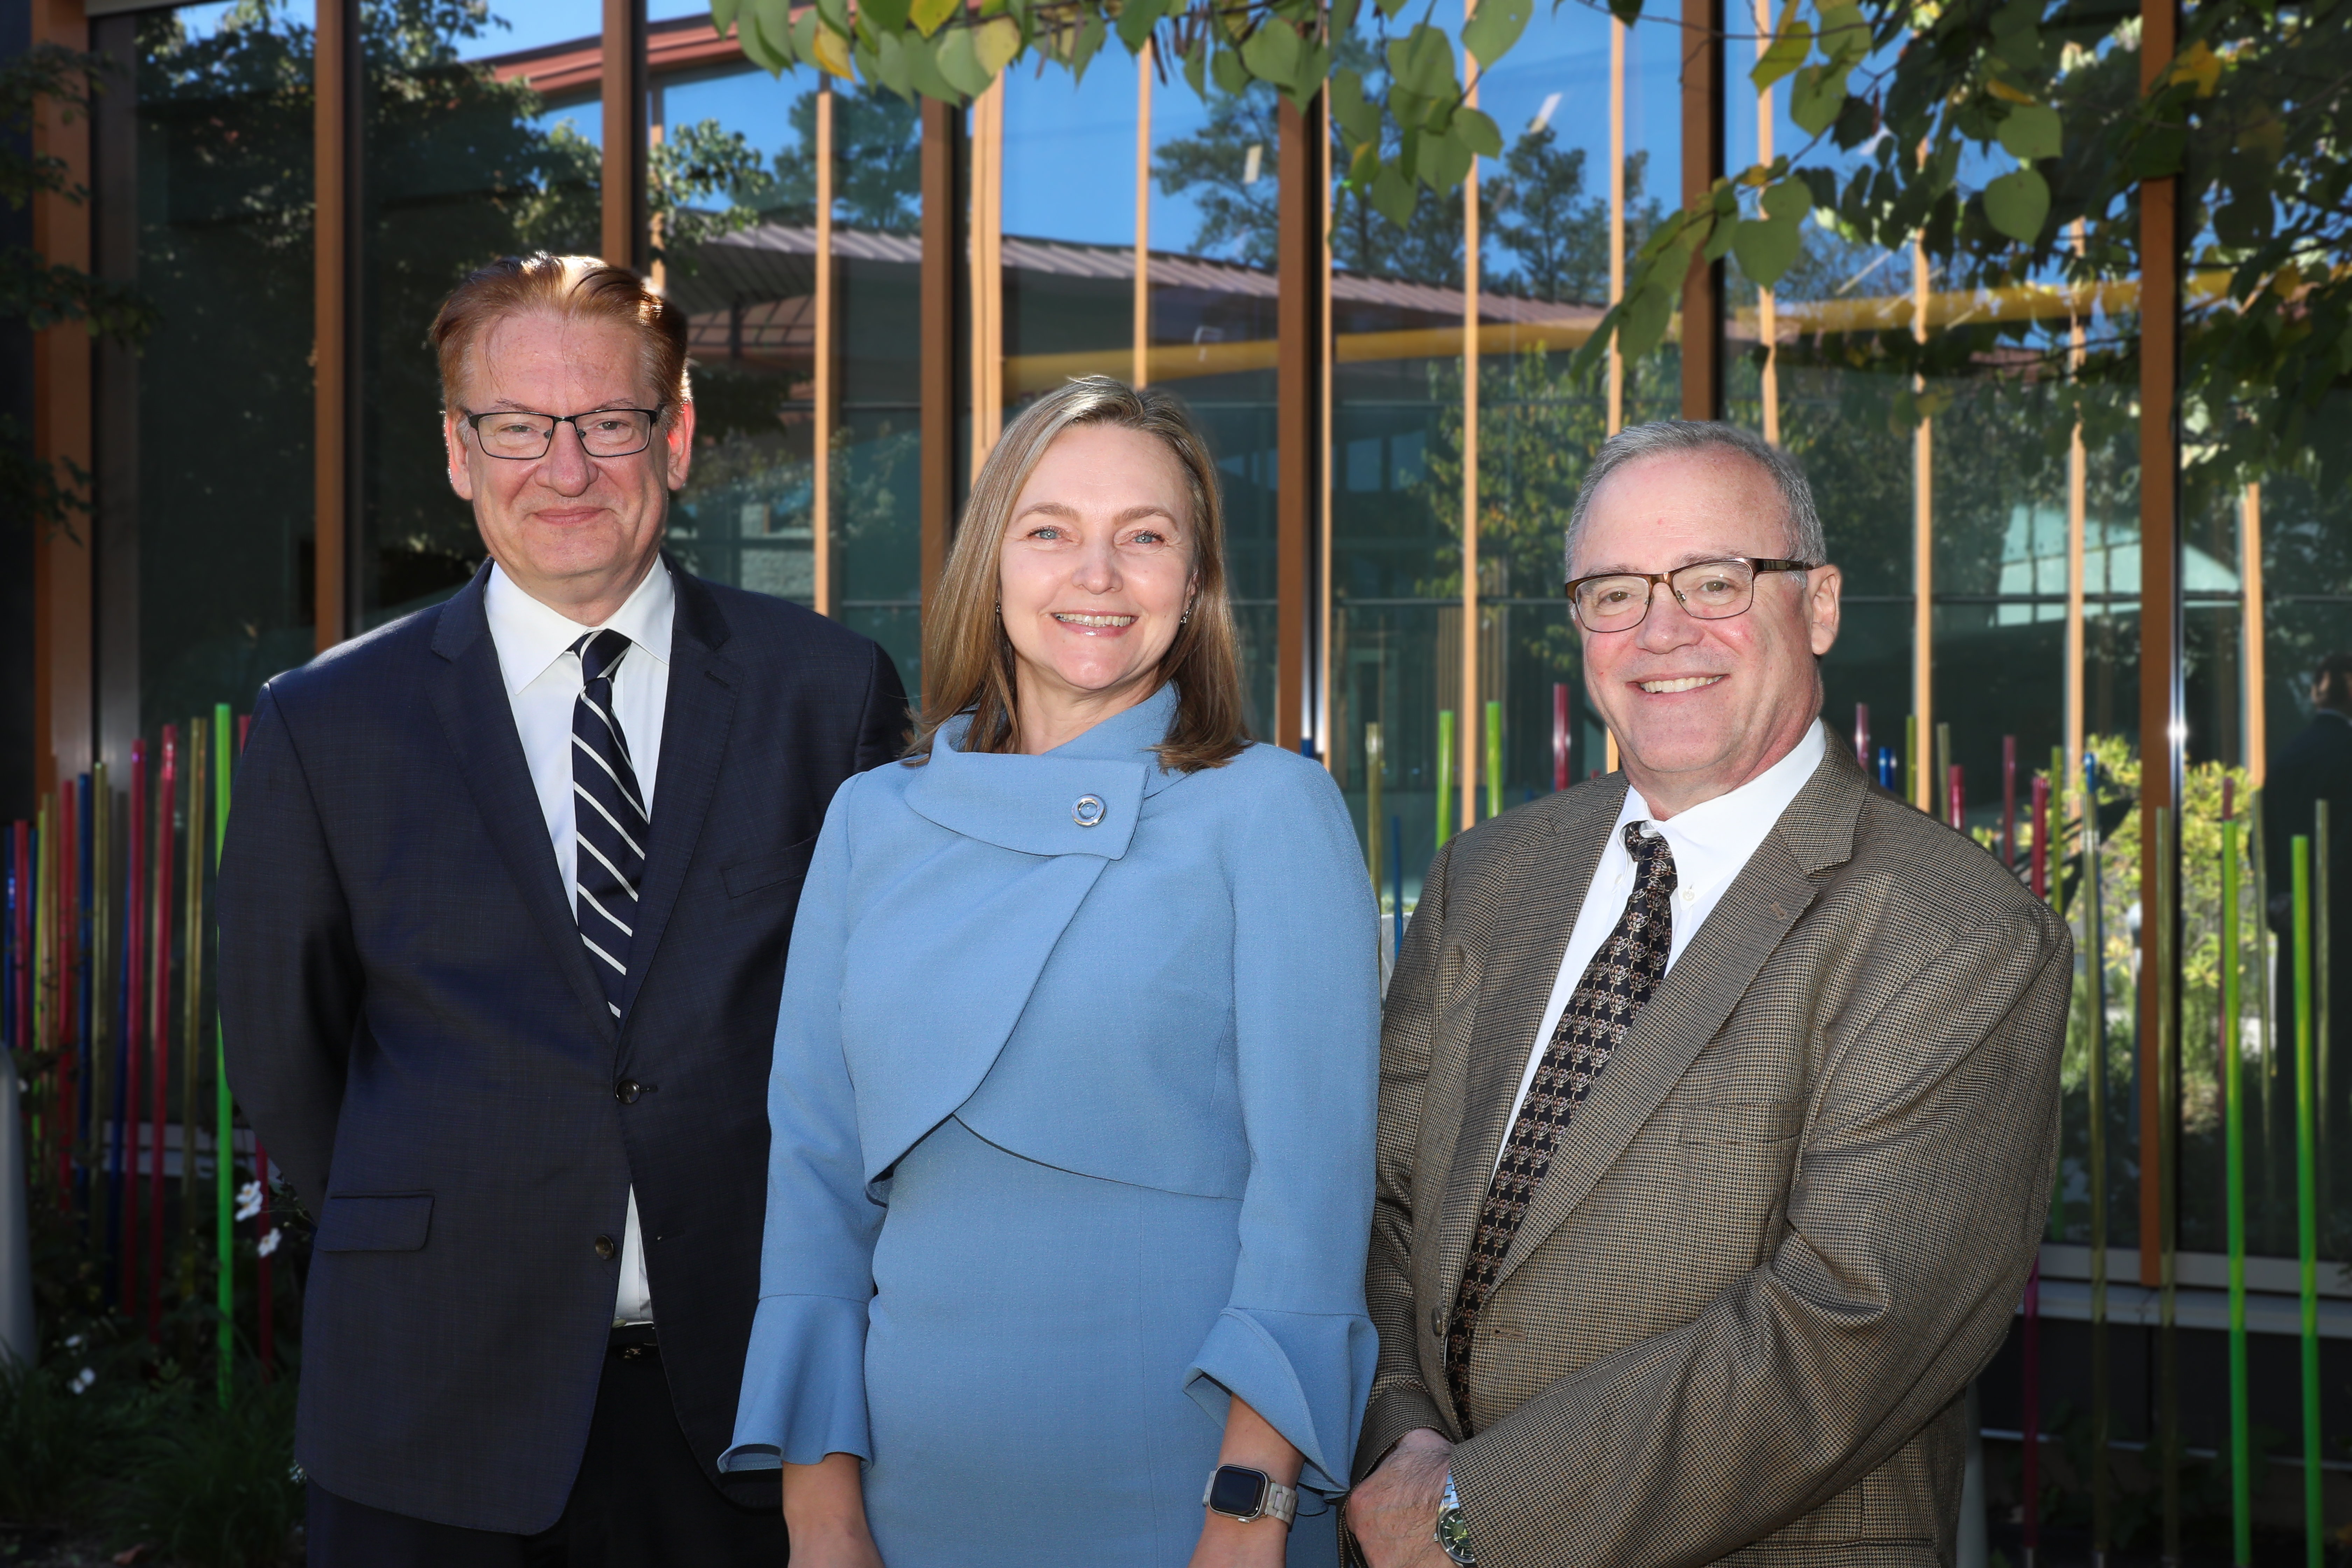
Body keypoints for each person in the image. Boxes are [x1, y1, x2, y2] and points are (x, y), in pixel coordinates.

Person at [218, 253, 908, 1566]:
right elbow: (287, 1059)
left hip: (755, 1422)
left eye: (607, 423)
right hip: (431, 1404)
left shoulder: (826, 692)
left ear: (679, 436)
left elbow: (877, 1032)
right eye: (519, 427)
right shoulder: (325, 722)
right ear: (459, 451)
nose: (567, 468)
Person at [1345, 420, 2073, 1567]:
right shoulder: (1485, 878)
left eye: (1716, 580)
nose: (1662, 630)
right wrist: (1402, 1445)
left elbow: (1845, 1334)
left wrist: (1467, 1514)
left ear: (1820, 605)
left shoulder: (1958, 930)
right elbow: (1383, 1212)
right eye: (1615, 592)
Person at [721, 376, 1380, 1568]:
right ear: (993, 563)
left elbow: (1315, 1203)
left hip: (1185, 1496)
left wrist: (1249, 1512)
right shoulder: (873, 817)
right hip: (913, 1495)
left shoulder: (1270, 809)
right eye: (1051, 532)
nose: (1098, 574)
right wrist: (819, 1511)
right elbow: (814, 1180)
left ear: (1192, 584)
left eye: (1145, 537)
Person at [2264, 650, 2352, 1127]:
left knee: (2295, 1019)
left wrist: (2281, 895)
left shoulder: (2287, 754)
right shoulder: (2346, 752)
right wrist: (2313, 895)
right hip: (2338, 913)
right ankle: (2331, 1134)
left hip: (2290, 912)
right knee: (2337, 1025)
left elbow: (2264, 831)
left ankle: (2289, 1126)